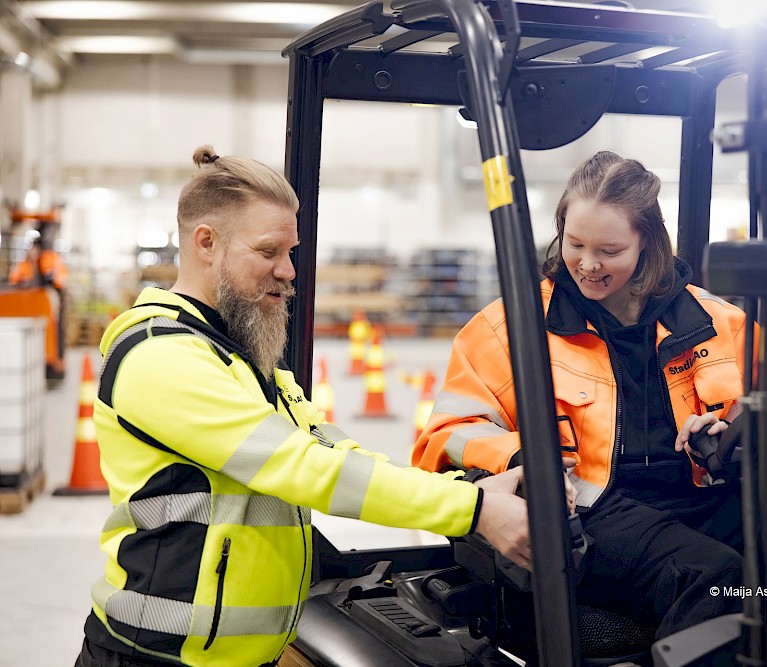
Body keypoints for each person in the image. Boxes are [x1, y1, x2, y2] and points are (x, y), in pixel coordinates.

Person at [75, 146, 531, 667]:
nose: (289, 270)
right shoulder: (161, 357)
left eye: (291, 252)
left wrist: (467, 488)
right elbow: (306, 469)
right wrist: (474, 513)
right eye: (269, 251)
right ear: (207, 243)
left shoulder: (237, 357)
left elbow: (335, 451)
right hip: (154, 659)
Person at [413, 150, 752, 644]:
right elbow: (445, 438)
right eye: (575, 244)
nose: (588, 265)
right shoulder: (509, 328)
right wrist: (525, 459)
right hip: (593, 511)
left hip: (698, 498)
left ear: (647, 243)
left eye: (609, 251)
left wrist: (722, 433)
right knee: (716, 578)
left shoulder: (718, 322)